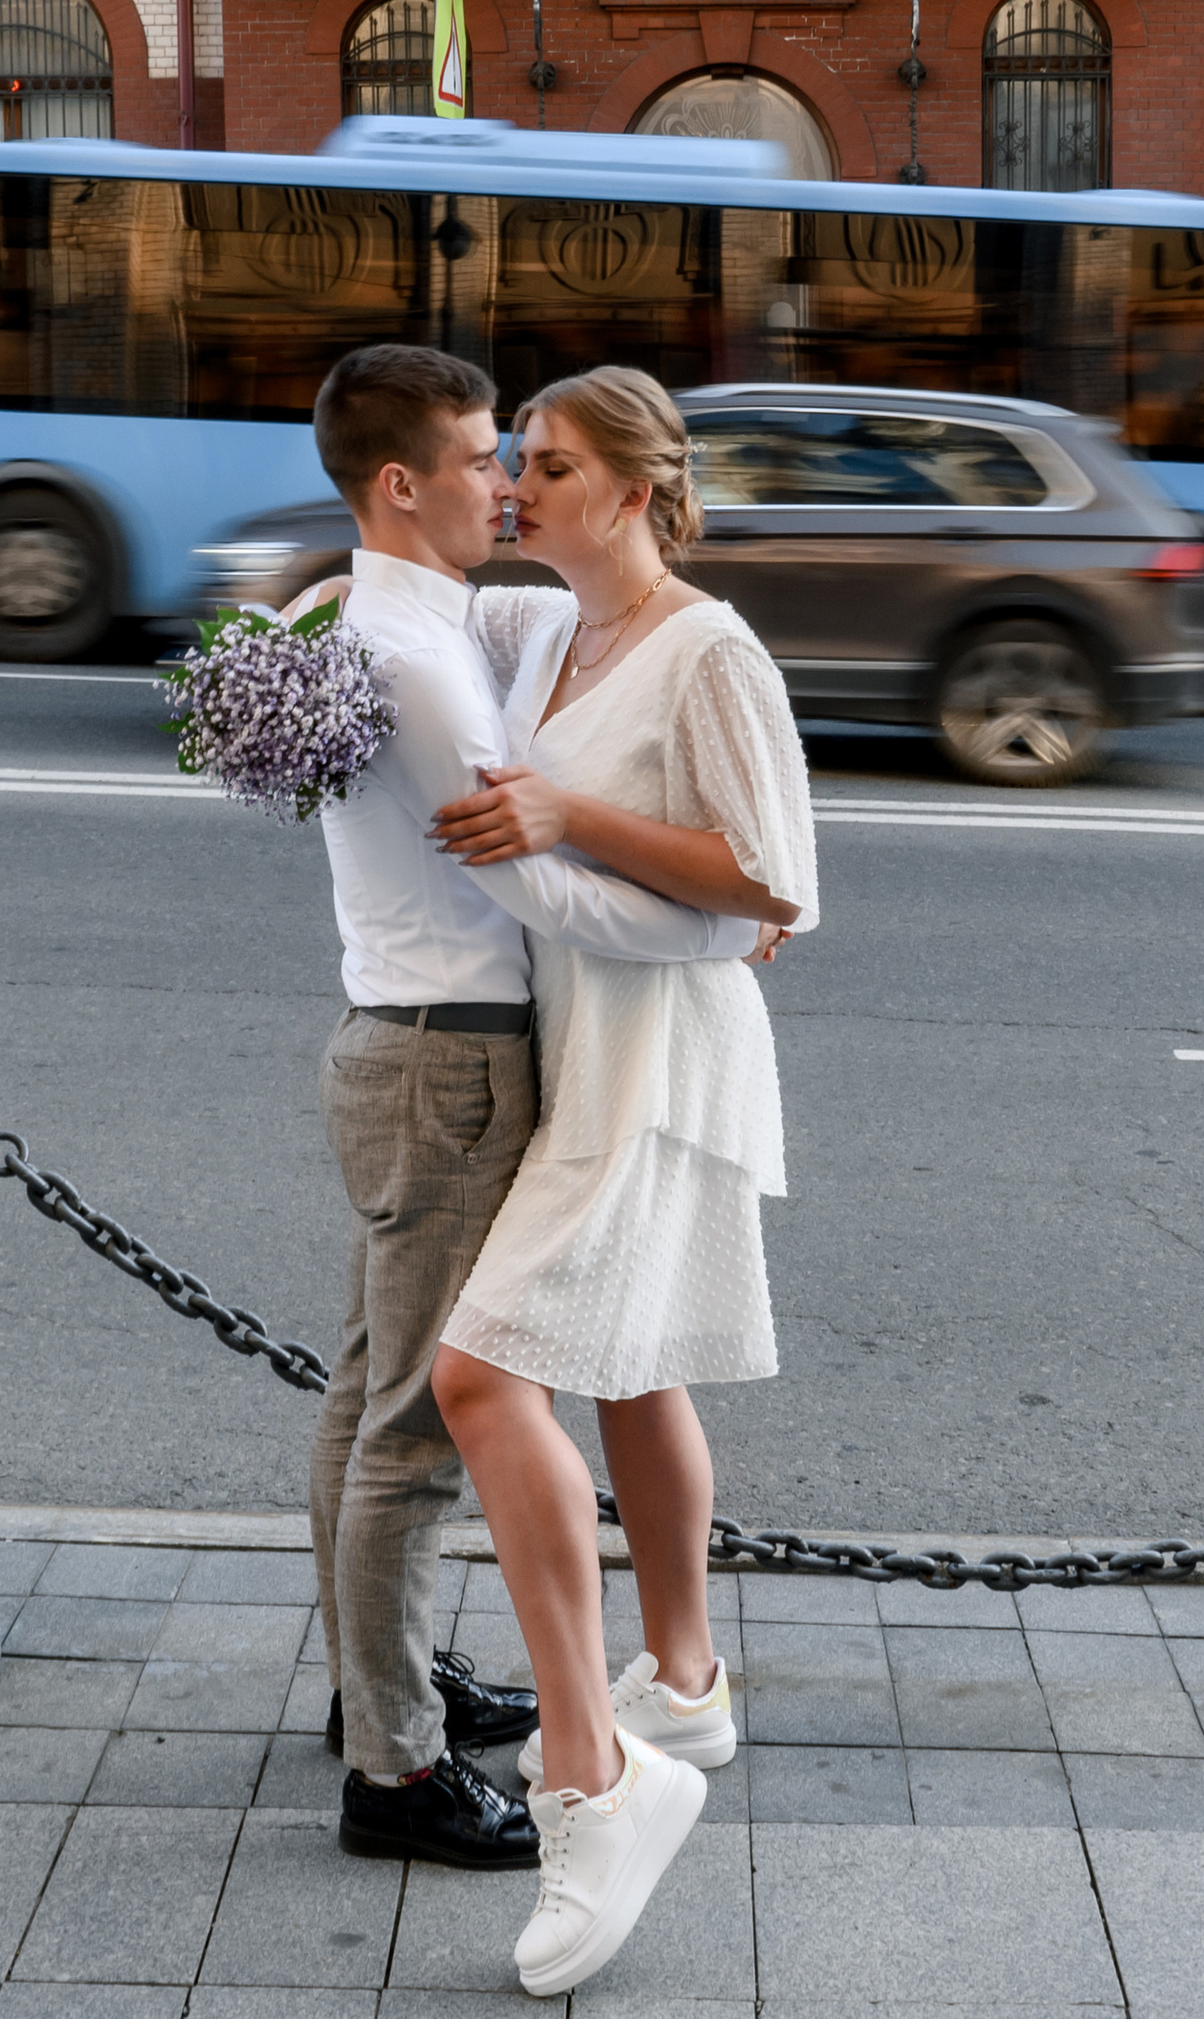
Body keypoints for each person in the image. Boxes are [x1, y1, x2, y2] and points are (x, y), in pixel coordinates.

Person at [298, 342, 770, 1883]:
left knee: (376, 1391)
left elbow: (499, 638)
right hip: (453, 1055)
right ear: (401, 484)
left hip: (406, 1041)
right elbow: (535, 883)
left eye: (531, 459)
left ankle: (384, 1688)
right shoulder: (426, 658)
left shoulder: (409, 620)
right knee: (424, 1416)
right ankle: (396, 1765)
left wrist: (302, 601)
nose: (503, 483)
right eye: (486, 457)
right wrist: (717, 928)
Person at [423, 364, 818, 1997]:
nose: (522, 485)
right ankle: (687, 1679)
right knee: (635, 1366)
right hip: (588, 1037)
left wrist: (567, 815)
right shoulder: (550, 626)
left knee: (479, 1377)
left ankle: (599, 1783)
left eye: (555, 465)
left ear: (641, 492)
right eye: (517, 459)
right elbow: (396, 606)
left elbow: (774, 884)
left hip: (657, 1058)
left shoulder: (708, 649)